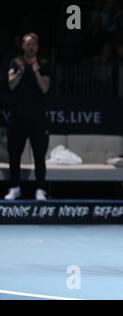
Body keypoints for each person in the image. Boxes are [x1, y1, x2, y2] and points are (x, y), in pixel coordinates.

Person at [5, 33, 50, 201]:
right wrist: (22, 70)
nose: (31, 47)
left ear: (37, 47)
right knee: (14, 155)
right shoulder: (15, 63)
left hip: (38, 118)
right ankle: (15, 187)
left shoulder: (44, 64)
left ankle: (40, 190)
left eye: (34, 44)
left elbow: (44, 88)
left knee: (39, 156)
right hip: (18, 118)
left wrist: (36, 69)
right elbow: (11, 85)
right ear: (23, 46)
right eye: (28, 44)